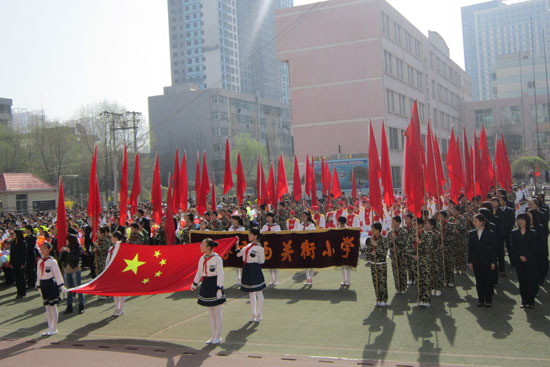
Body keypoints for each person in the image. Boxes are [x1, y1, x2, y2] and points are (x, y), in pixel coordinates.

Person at [191, 238, 225, 344]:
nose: (200, 246)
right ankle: (213, 335)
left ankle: (218, 336)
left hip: (214, 284)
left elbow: (220, 274)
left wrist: (219, 288)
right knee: (210, 312)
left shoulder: (217, 259)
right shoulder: (202, 259)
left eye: (203, 245)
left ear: (209, 247)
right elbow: (199, 273)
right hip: (206, 283)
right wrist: (194, 284)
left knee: (217, 312)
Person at [36, 241, 67, 336]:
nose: (42, 250)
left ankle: (54, 328)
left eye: (44, 248)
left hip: (50, 284)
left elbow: (57, 274)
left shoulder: (52, 261)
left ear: (49, 249)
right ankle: (49, 327)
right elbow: (38, 274)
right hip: (43, 284)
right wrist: (38, 284)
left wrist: (61, 285)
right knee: (47, 307)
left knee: (53, 306)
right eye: (42, 248)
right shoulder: (40, 261)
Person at [236, 227, 265, 322]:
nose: (248, 236)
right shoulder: (248, 246)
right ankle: (253, 314)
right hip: (247, 269)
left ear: (255, 236)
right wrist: (236, 244)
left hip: (254, 269)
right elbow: (238, 255)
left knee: (259, 292)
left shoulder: (259, 248)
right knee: (251, 293)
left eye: (250, 234)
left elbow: (262, 261)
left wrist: (254, 263)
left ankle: (259, 314)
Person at [468, 214, 497, 307]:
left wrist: (493, 261)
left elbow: (493, 248)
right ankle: (480, 299)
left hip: (487, 260)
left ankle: (488, 300)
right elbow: (470, 248)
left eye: (475, 221)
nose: (474, 223)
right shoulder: (471, 233)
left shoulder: (490, 233)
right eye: (473, 221)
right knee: (479, 280)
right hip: (476, 260)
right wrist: (470, 261)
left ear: (482, 222)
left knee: (488, 280)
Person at [512, 214, 537, 308]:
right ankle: (524, 300)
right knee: (522, 281)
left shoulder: (532, 232)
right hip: (519, 260)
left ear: (527, 221)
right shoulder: (514, 232)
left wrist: (526, 256)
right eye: (519, 220)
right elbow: (514, 246)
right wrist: (520, 256)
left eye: (522, 220)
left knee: (530, 279)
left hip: (530, 259)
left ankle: (531, 301)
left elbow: (533, 246)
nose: (520, 222)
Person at [60, 234, 85, 314]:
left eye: (67, 240)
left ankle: (81, 306)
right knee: (69, 288)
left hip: (75, 269)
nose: (66, 242)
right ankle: (69, 306)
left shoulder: (78, 248)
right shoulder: (66, 248)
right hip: (67, 270)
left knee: (79, 288)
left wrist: (69, 252)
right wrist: (62, 252)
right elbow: (61, 259)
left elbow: (76, 259)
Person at [365, 222, 388, 307]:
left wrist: (376, 246)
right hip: (373, 264)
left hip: (381, 264)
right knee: (375, 283)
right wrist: (371, 253)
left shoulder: (383, 239)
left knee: (382, 282)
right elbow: (367, 252)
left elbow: (385, 252)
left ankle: (384, 299)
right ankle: (378, 298)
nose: (372, 230)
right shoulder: (370, 239)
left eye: (373, 229)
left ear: (378, 230)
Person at [107, 231, 126, 316]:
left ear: (115, 238)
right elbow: (107, 260)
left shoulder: (122, 247)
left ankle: (121, 309)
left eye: (112, 237)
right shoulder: (111, 248)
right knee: (114, 291)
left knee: (121, 292)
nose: (111, 239)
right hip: (112, 272)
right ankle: (116, 307)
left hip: (120, 272)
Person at [389, 216, 408, 293]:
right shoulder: (390, 233)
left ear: (398, 222)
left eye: (393, 222)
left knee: (402, 271)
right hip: (394, 255)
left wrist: (396, 238)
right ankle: (397, 287)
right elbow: (389, 244)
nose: (392, 224)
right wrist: (392, 249)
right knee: (395, 271)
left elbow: (404, 242)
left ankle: (403, 287)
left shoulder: (404, 231)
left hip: (402, 255)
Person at [261, 212, 281, 286]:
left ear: (273, 218)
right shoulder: (265, 226)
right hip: (267, 247)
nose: (268, 218)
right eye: (267, 217)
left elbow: (279, 236)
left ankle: (276, 279)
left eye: (270, 217)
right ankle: (272, 279)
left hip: (274, 247)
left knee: (274, 264)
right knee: (269, 264)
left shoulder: (276, 226)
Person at [300, 210, 317, 285]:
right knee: (305, 263)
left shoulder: (311, 225)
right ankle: (307, 278)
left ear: (308, 217)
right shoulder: (300, 225)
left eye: (304, 216)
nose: (303, 218)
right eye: (302, 216)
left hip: (310, 246)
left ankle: (311, 278)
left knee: (311, 263)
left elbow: (313, 235)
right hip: (303, 246)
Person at [228, 215, 245, 285]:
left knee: (240, 262)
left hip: (240, 246)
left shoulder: (242, 228)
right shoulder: (230, 228)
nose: (232, 221)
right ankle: (238, 278)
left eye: (233, 219)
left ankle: (242, 278)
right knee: (235, 263)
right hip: (232, 247)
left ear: (237, 220)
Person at [10, 229, 27, 299]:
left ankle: (22, 292)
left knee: (21, 277)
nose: (13, 235)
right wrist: (11, 262)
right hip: (14, 263)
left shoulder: (23, 242)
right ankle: (18, 291)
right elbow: (11, 253)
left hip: (20, 263)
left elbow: (24, 254)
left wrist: (23, 263)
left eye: (14, 233)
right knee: (16, 278)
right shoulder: (13, 242)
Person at [25, 225, 38, 290]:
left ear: (29, 229)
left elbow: (31, 247)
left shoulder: (33, 237)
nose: (25, 230)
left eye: (26, 229)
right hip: (27, 255)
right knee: (28, 270)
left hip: (31, 255)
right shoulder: (26, 237)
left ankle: (32, 283)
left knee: (32, 270)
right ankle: (29, 283)